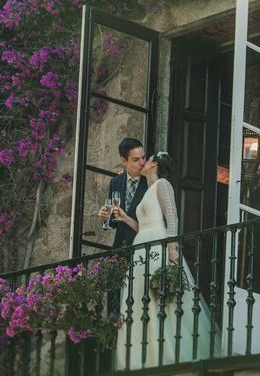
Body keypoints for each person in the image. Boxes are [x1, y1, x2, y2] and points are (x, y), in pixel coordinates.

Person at [113, 151, 216, 370]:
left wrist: (172, 247)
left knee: (159, 297)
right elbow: (144, 226)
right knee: (140, 300)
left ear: (154, 163)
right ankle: (143, 357)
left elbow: (172, 216)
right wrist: (124, 217)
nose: (142, 162)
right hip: (142, 245)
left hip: (158, 244)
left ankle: (167, 353)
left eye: (146, 159)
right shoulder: (148, 190)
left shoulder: (162, 184)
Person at [98, 138, 148, 249]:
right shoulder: (116, 182)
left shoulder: (151, 182)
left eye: (143, 157)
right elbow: (114, 222)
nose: (142, 163)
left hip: (144, 248)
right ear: (124, 160)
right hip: (120, 247)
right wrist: (104, 219)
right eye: (136, 160)